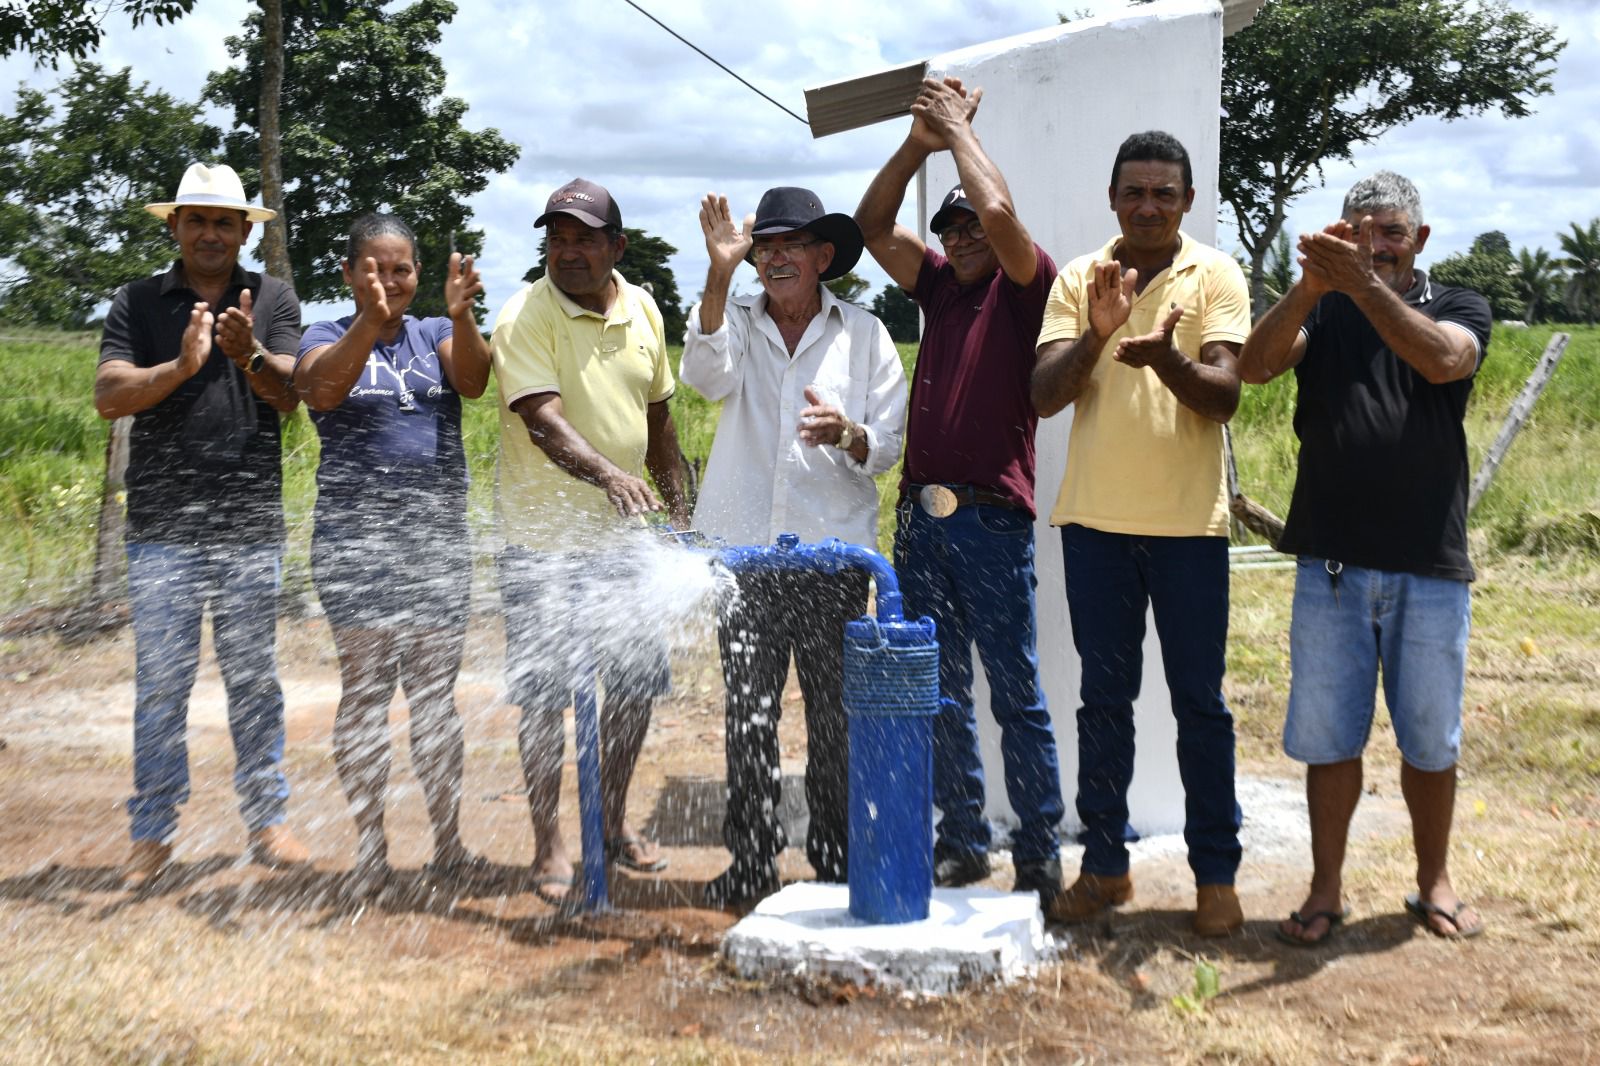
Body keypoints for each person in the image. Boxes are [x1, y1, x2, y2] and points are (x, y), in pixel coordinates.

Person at [1239, 172, 1490, 944]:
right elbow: (1255, 365)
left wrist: (1363, 289)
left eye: (1389, 232)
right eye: (1361, 231)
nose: (1375, 246)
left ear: (1417, 239)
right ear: (1341, 234)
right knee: (1328, 736)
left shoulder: (1457, 304)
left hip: (1428, 561)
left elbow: (1445, 361)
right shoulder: (1326, 307)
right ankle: (1325, 890)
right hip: (1334, 564)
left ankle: (1433, 882)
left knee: (1429, 737)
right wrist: (1312, 289)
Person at [1031, 131, 1249, 936]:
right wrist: (1098, 332)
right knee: (1103, 704)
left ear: (1188, 200)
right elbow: (1044, 396)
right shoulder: (1078, 278)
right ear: (1113, 197)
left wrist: (1164, 360)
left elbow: (1224, 396)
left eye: (1165, 192)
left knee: (1201, 706)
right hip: (1095, 527)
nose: (1149, 205)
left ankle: (1216, 877)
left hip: (1190, 530)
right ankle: (1104, 869)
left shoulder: (1215, 273)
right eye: (1135, 191)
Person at [854, 77, 1065, 905]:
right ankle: (964, 840)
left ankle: (1039, 852)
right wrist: (919, 142)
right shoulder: (939, 286)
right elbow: (873, 224)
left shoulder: (1024, 285)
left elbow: (1007, 221)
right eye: (952, 227)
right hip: (922, 520)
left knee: (1014, 691)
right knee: (939, 689)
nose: (965, 235)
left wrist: (959, 132)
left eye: (971, 222)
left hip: (990, 522)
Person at [683, 186, 907, 908]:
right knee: (748, 714)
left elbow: (888, 449)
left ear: (823, 256)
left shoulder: (866, 334)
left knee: (834, 717)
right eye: (764, 247)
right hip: (745, 558)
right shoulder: (736, 321)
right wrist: (718, 274)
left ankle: (837, 854)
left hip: (831, 560)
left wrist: (846, 432)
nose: (775, 258)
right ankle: (751, 859)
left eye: (791, 246)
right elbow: (703, 376)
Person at [95, 162, 309, 888]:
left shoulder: (273, 296)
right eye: (197, 220)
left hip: (249, 527)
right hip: (161, 530)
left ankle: (268, 820)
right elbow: (107, 395)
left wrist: (246, 351)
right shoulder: (137, 300)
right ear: (175, 227)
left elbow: (290, 396)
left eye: (224, 222)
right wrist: (180, 369)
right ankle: (151, 832)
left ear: (246, 230)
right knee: (162, 685)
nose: (211, 233)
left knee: (254, 681)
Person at [490, 178, 689, 906]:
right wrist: (609, 473)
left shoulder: (643, 309)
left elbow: (661, 420)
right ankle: (549, 838)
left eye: (582, 238)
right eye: (556, 237)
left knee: (632, 688)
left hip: (624, 543)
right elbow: (542, 419)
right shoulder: (524, 315)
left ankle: (608, 818)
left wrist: (679, 516)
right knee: (545, 697)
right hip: (543, 543)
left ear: (616, 246)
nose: (566, 251)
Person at [293, 213, 492, 895]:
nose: (389, 281)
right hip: (354, 548)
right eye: (374, 269)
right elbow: (320, 388)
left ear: (418, 273)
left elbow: (472, 382)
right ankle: (371, 850)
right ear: (348, 274)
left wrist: (463, 319)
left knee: (436, 698)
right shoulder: (322, 334)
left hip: (435, 545)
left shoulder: (435, 332)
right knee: (367, 693)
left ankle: (449, 846)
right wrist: (366, 324)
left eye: (401, 268)